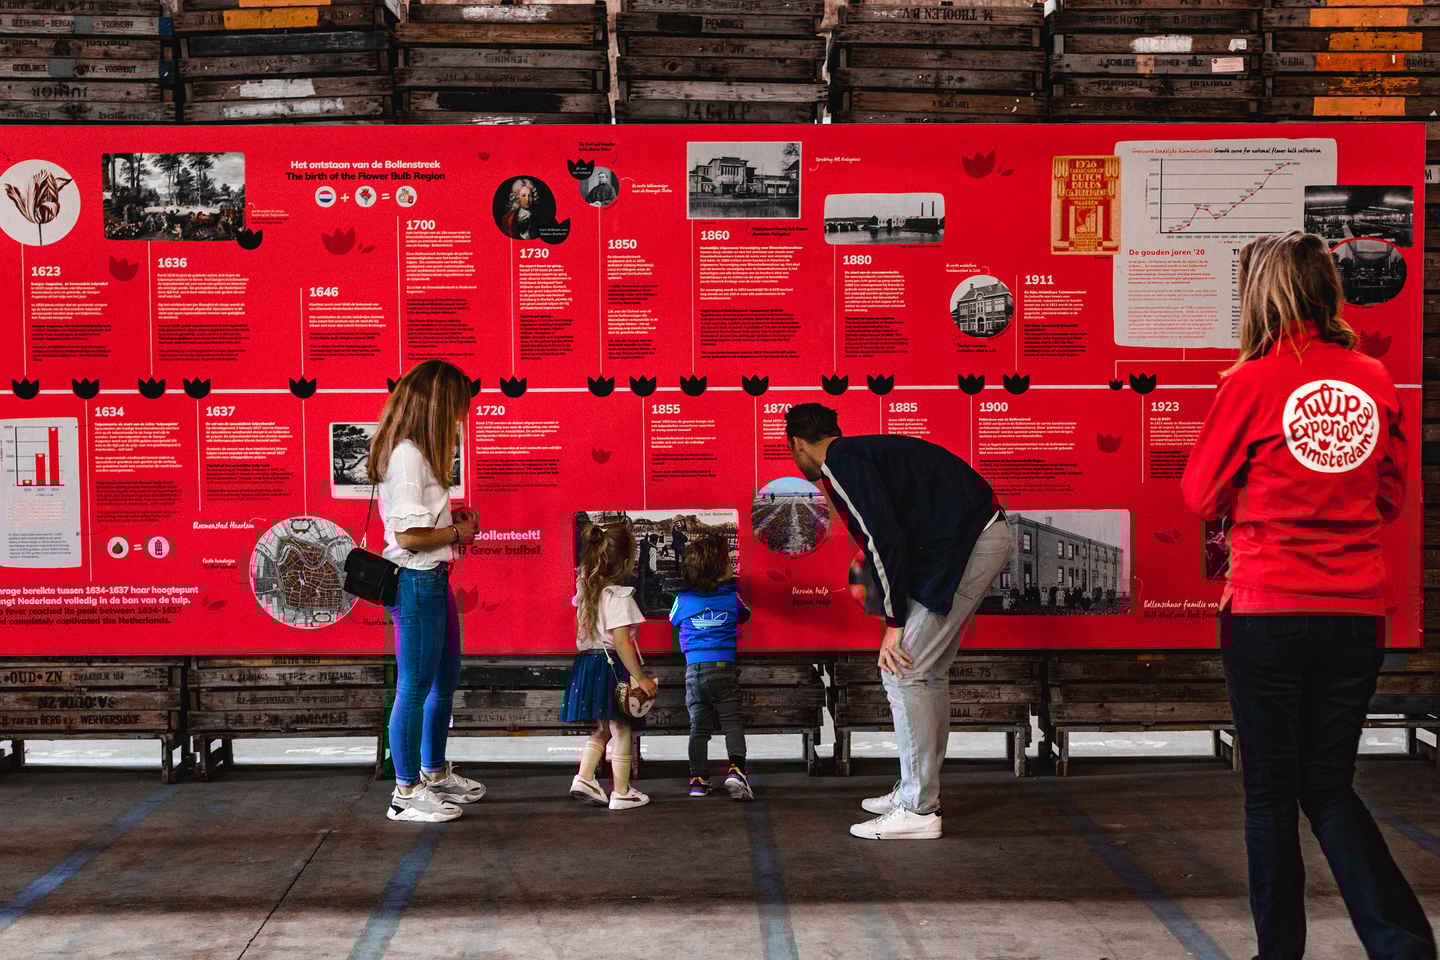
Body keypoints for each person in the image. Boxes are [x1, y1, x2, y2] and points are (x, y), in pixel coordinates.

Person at [1181, 232, 1435, 960]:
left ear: (1260, 295)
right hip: (1354, 613)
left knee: (1269, 794)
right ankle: (1401, 943)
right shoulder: (1372, 377)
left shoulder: (1250, 381)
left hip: (1268, 608)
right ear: (1328, 290)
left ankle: (1279, 954)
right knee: (1328, 785)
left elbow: (1200, 494)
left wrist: (1256, 495)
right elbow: (1389, 494)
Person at [785, 403, 1011, 840]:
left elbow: (882, 542)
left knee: (903, 672)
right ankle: (915, 791)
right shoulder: (860, 454)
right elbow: (895, 541)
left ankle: (918, 808)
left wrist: (894, 623)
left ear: (797, 444)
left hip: (968, 544)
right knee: (926, 673)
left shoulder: (840, 465)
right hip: (974, 539)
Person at [368, 359, 486, 823]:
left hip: (433, 580)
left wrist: (452, 526)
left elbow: (422, 527)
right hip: (416, 581)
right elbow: (409, 538)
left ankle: (433, 773)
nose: (462, 415)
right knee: (414, 688)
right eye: (457, 406)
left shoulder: (419, 453)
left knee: (442, 682)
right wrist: (458, 535)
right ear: (438, 405)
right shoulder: (407, 457)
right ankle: (404, 792)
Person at [562, 522, 658, 811]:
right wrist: (640, 678)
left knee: (603, 728)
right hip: (612, 668)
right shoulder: (619, 597)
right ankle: (622, 791)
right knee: (623, 728)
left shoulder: (586, 592)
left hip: (588, 664)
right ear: (627, 560)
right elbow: (622, 643)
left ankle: (585, 777)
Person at [669, 532, 753, 800]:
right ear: (719, 571)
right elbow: (746, 616)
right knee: (731, 722)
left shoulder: (682, 600)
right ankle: (736, 771)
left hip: (694, 670)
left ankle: (698, 779)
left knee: (698, 727)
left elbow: (672, 619)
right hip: (724, 669)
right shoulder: (731, 599)